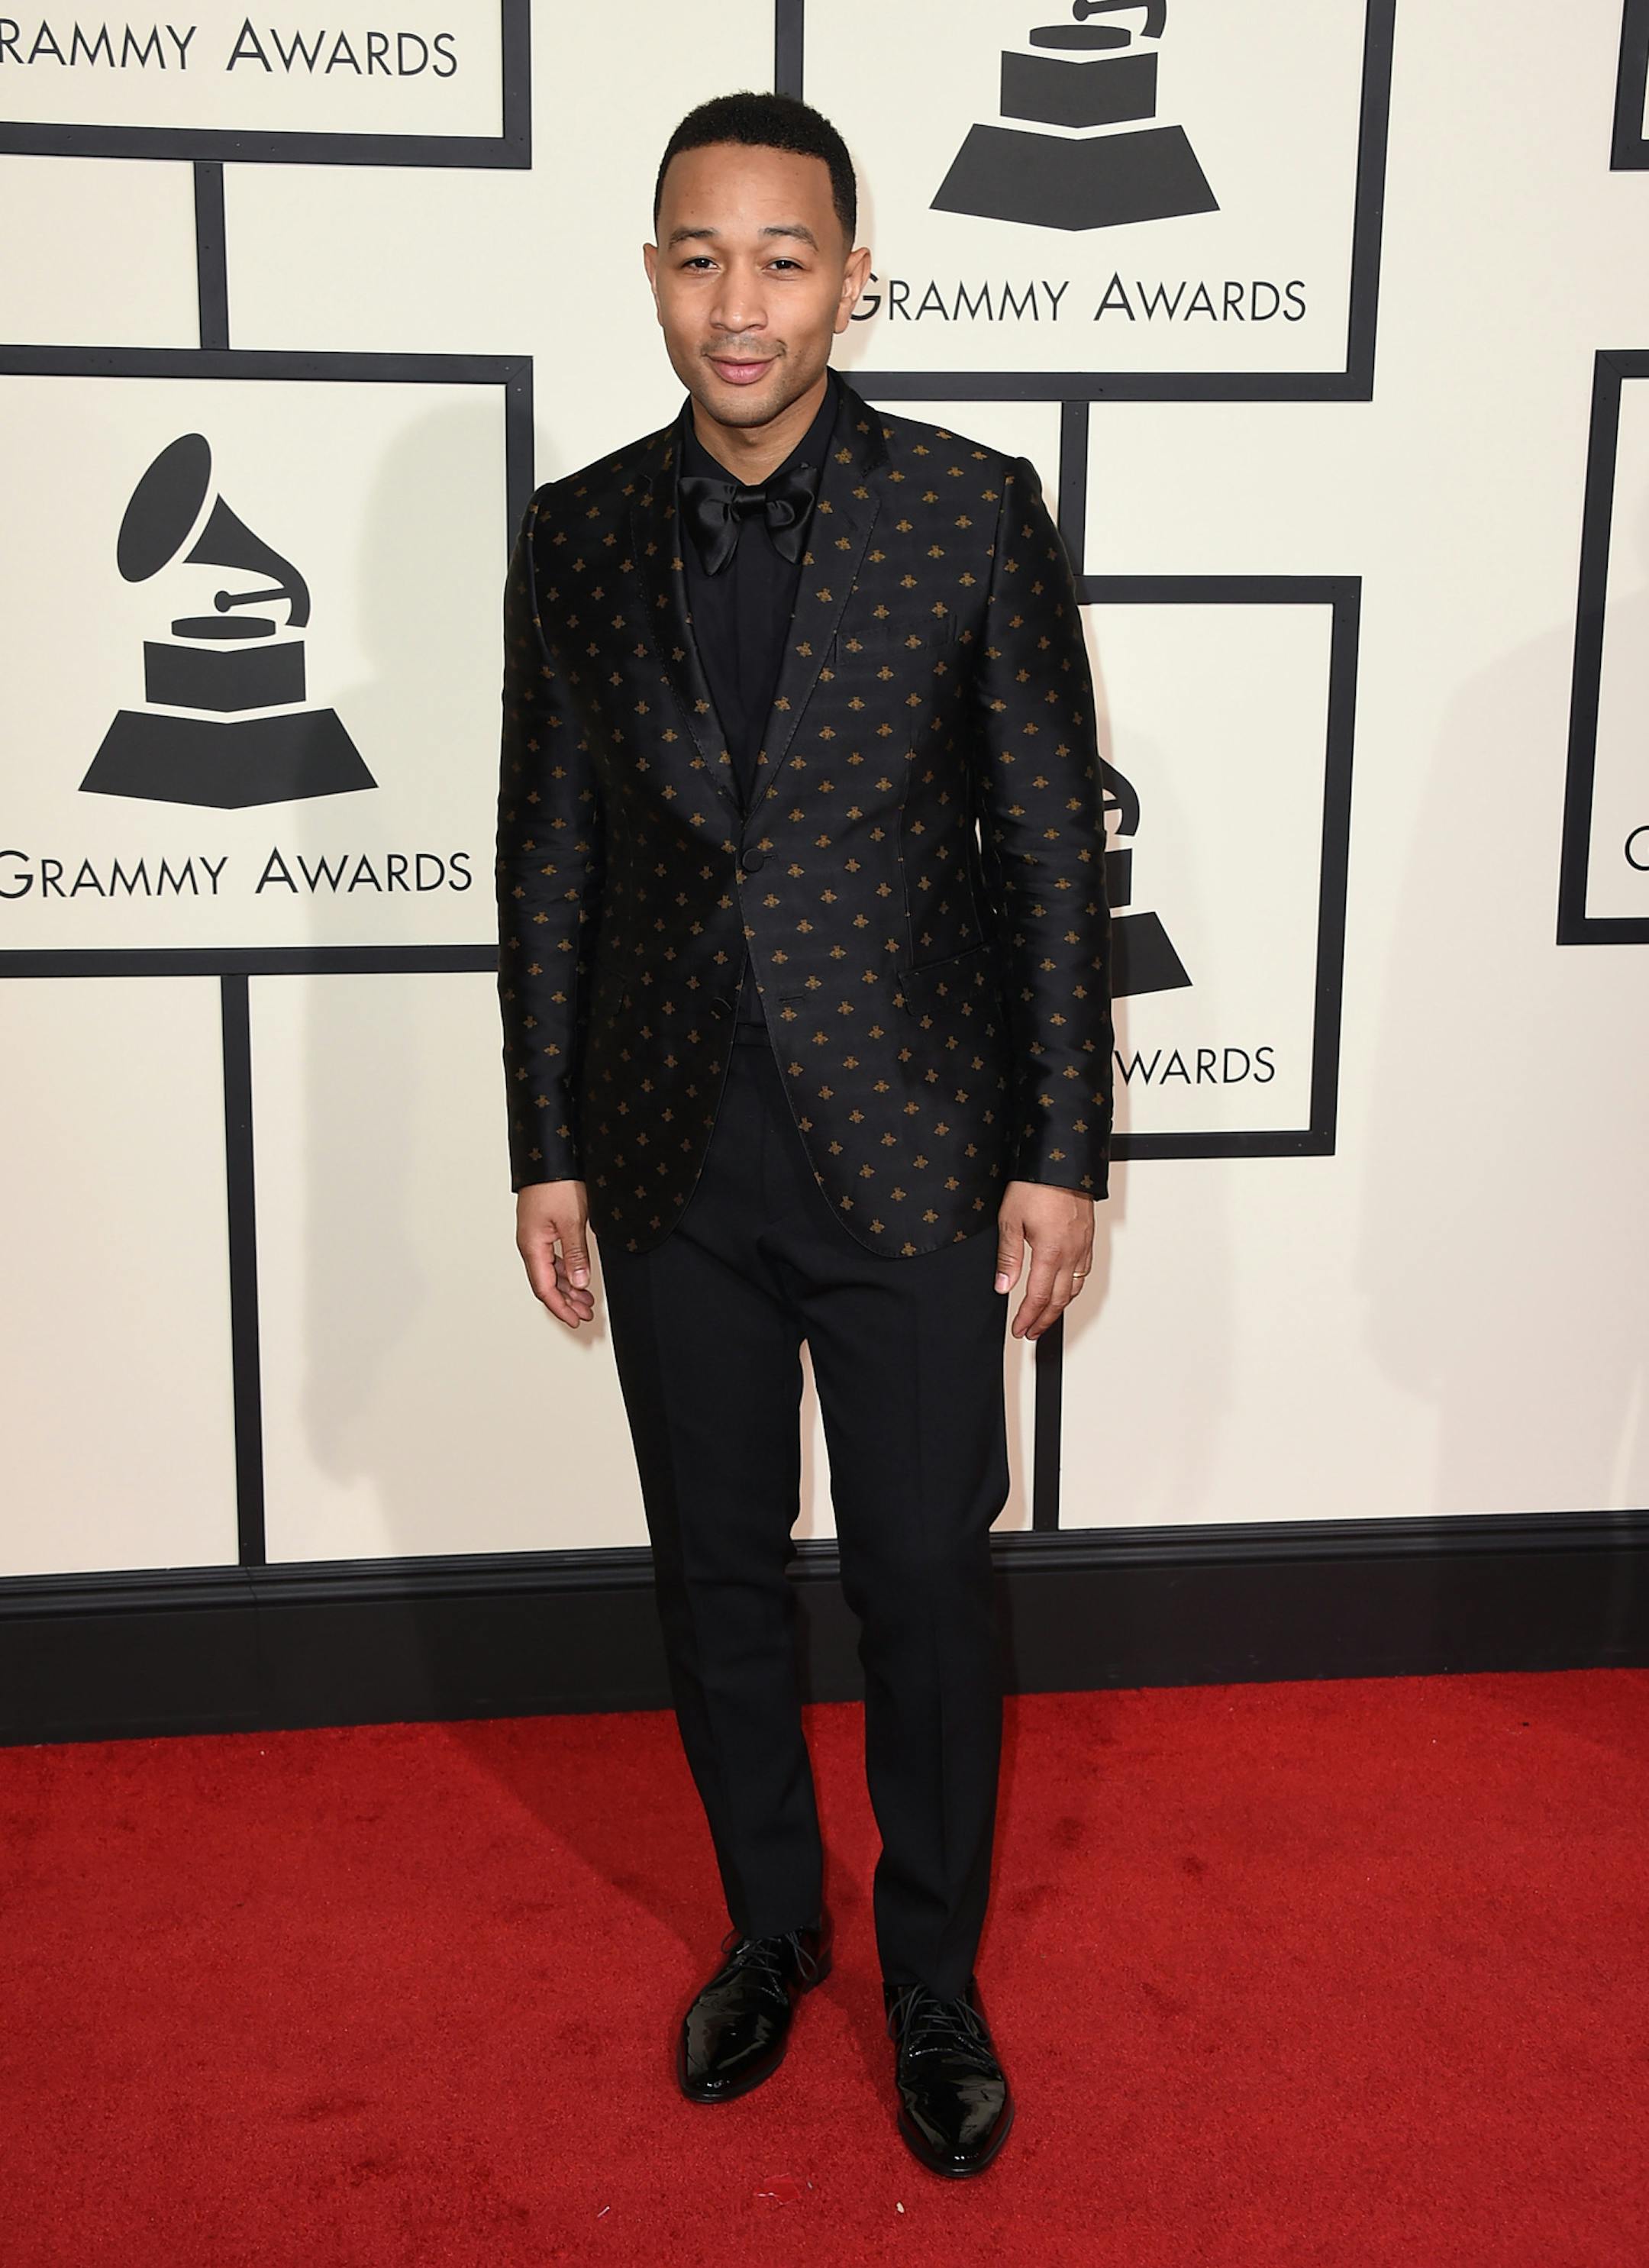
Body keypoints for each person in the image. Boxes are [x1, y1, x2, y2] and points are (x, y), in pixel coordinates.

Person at [495, 89, 1112, 2180]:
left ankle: (930, 1971)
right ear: (653, 273)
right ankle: (775, 1926)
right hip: (671, 1148)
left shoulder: (969, 509)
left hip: (924, 1142)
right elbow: (550, 847)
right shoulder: (575, 531)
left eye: (781, 258)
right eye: (699, 255)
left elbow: (1045, 845)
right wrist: (547, 1136)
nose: (737, 303)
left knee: (929, 1579)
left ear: (855, 277)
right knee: (716, 1577)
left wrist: (1064, 1145)